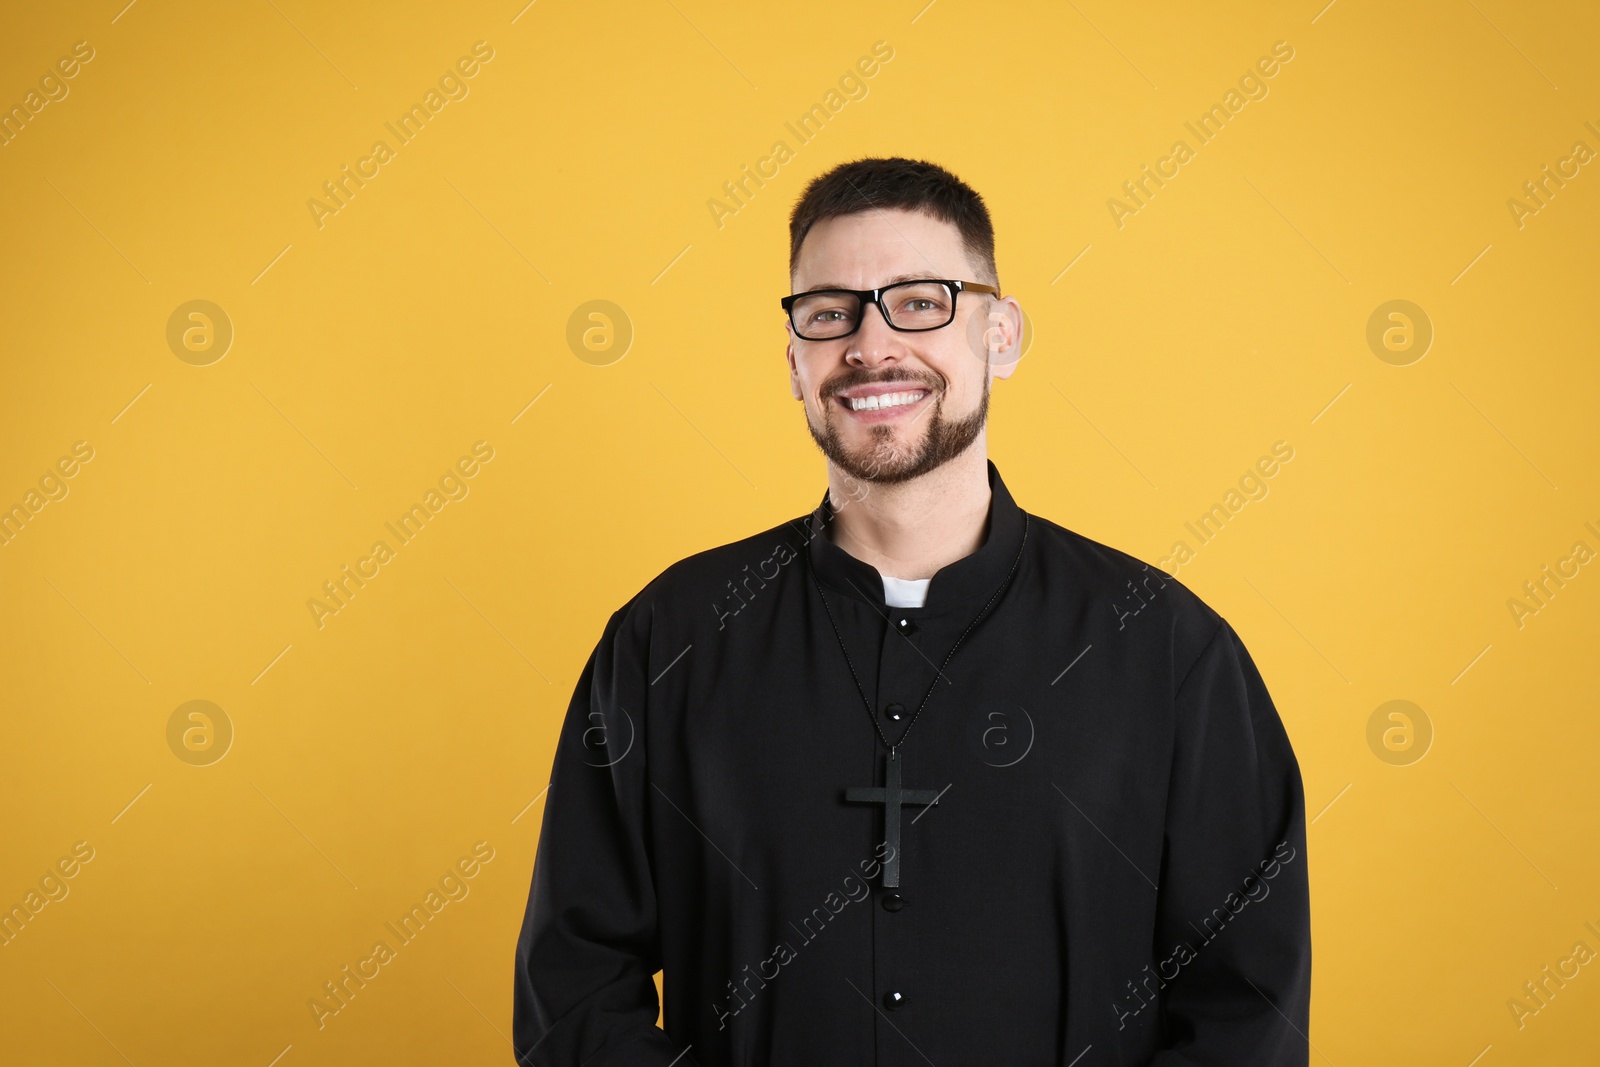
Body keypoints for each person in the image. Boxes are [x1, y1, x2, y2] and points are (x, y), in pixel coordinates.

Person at [512, 156, 1310, 1066]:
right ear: (794, 360)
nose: (871, 345)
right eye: (829, 312)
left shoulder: (1170, 651)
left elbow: (1249, 1010)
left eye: (921, 301)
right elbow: (572, 987)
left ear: (1001, 335)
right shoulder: (667, 641)